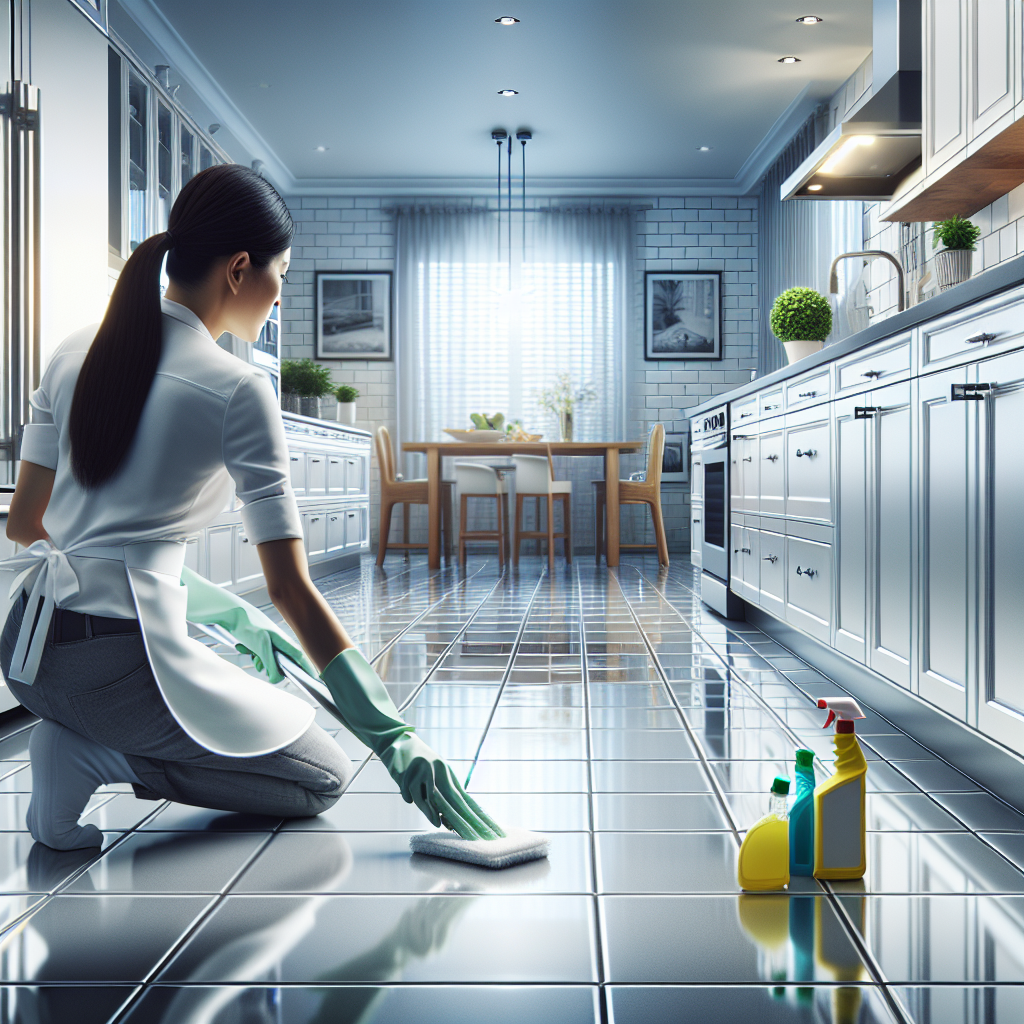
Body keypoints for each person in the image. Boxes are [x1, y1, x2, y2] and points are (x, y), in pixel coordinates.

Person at [0, 164, 502, 850]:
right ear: (239, 270)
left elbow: (28, 524)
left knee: (224, 701)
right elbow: (290, 589)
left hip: (31, 656)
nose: (278, 295)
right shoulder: (237, 388)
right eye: (282, 275)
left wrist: (223, 612)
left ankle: (79, 731)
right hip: (119, 667)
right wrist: (393, 737)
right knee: (319, 778)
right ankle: (95, 755)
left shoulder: (69, 350)